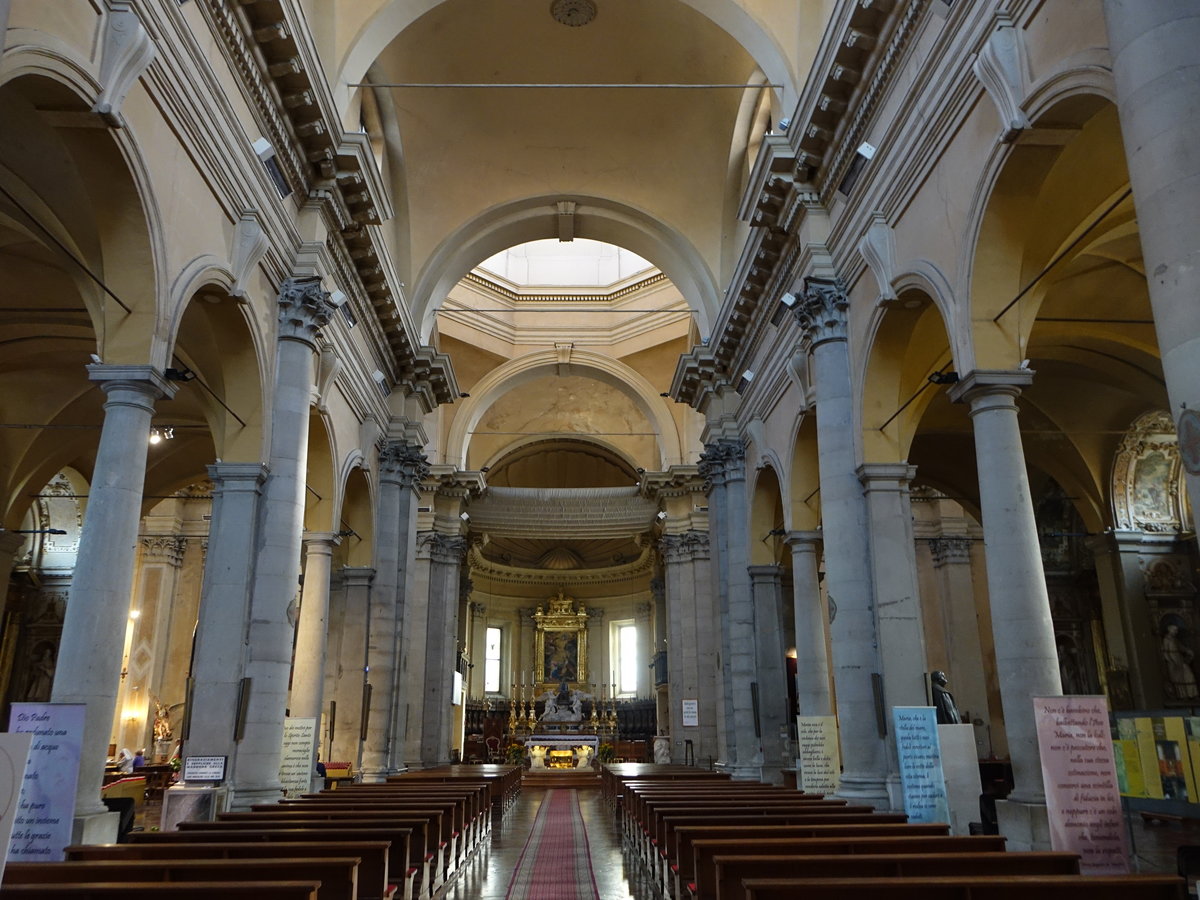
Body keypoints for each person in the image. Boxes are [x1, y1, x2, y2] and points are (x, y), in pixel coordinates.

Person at [1162, 623, 1199, 700]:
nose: (1176, 631)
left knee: (1189, 675)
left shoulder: (1175, 639)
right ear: (1170, 629)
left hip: (1180, 661)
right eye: (1175, 630)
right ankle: (1183, 696)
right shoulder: (1166, 640)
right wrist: (1174, 662)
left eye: (1177, 630)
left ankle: (1193, 694)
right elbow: (1167, 653)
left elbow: (1181, 647)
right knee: (1178, 680)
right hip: (1174, 664)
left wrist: (1188, 651)